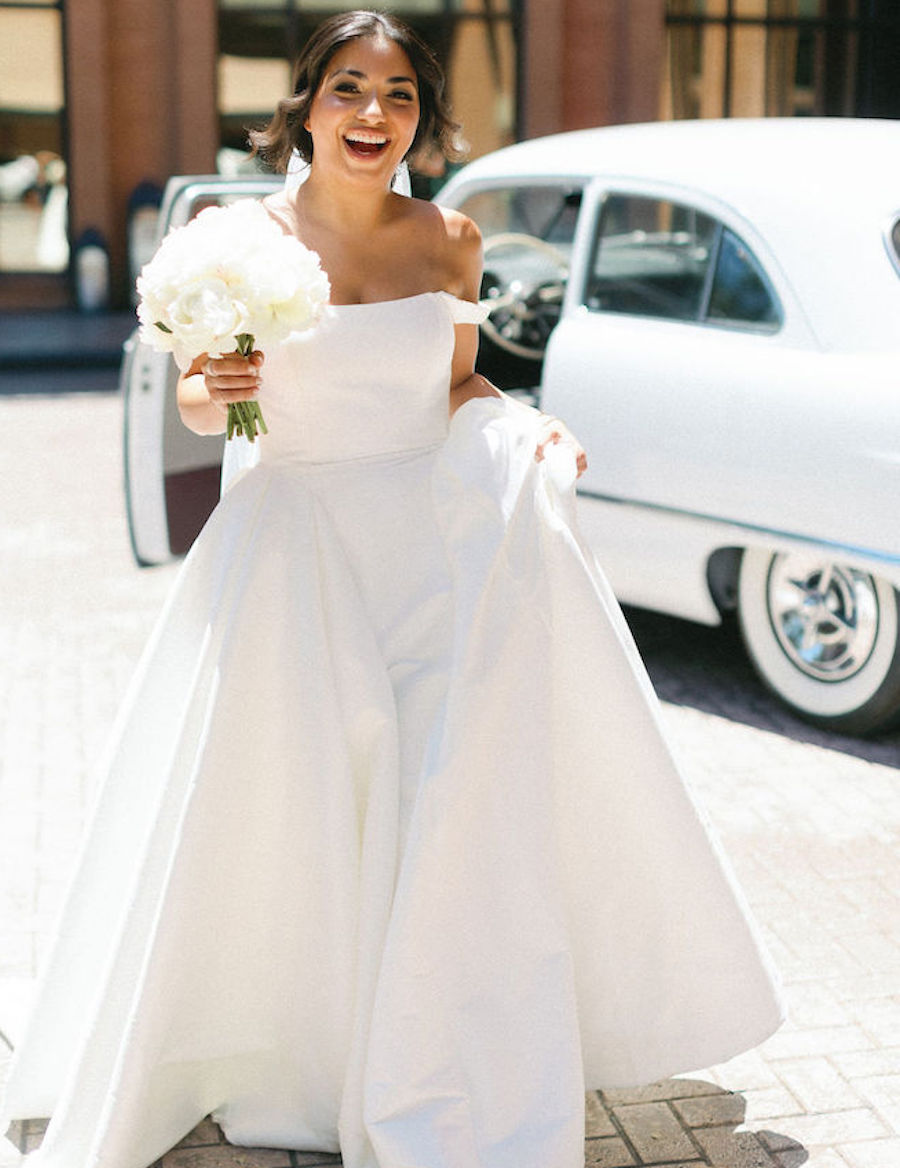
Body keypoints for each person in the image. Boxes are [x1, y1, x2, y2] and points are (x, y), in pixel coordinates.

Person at [0, 11, 783, 1168]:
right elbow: (206, 410)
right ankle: (307, 1051)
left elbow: (459, 386)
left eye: (401, 94)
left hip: (430, 553)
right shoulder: (236, 240)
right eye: (350, 90)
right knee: (301, 807)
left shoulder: (452, 240)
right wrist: (220, 383)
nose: (375, 114)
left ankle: (422, 1051)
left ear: (420, 115)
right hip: (294, 554)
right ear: (306, 107)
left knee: (439, 799)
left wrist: (526, 426)